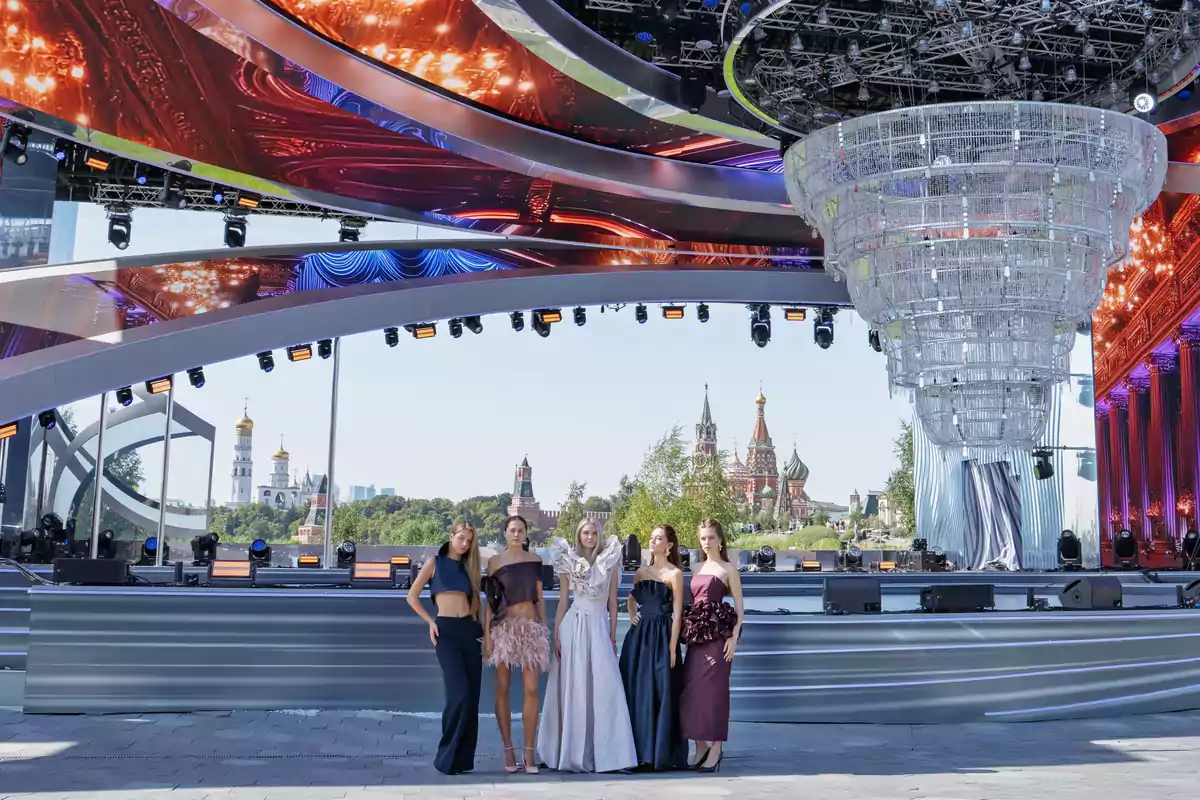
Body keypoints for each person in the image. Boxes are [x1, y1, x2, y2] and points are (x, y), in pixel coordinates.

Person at [537, 520, 637, 773]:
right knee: (574, 687)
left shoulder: (610, 560)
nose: (590, 537)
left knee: (607, 687)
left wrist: (612, 636)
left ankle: (613, 756)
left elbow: (613, 603)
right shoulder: (567, 561)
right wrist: (556, 636)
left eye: (594, 533)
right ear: (579, 535)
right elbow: (563, 602)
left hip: (599, 626)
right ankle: (565, 752)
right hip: (573, 626)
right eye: (585, 533)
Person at [406, 523, 483, 775]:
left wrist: (486, 634)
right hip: (446, 632)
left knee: (471, 698)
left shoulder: (470, 567)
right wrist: (430, 622)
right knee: (458, 695)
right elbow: (412, 596)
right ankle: (446, 758)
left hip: (470, 631)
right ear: (451, 536)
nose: (464, 544)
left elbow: (477, 604)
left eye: (469, 541)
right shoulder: (435, 563)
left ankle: (462, 760)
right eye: (461, 538)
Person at [618, 524, 687, 771]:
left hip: (662, 636)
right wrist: (632, 615)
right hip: (639, 639)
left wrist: (672, 648)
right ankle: (637, 754)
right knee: (638, 691)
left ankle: (659, 755)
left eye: (658, 538)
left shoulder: (675, 574)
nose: (652, 541)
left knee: (661, 691)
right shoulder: (641, 572)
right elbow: (631, 599)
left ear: (669, 545)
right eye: (651, 537)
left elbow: (677, 615)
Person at [485, 515, 550, 773]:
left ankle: (529, 752)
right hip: (503, 628)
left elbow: (539, 597)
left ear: (525, 533)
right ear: (505, 532)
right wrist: (487, 635)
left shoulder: (535, 559)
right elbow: (490, 601)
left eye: (520, 530)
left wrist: (544, 628)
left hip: (531, 629)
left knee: (532, 689)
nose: (516, 534)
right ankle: (508, 748)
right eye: (512, 530)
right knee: (502, 686)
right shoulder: (495, 561)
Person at [679, 518, 744, 773]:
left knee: (715, 693)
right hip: (697, 638)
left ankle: (716, 748)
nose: (706, 542)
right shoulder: (695, 568)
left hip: (719, 639)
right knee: (691, 692)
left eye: (711, 538)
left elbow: (739, 606)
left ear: (720, 540)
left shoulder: (729, 569)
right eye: (703, 538)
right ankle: (700, 746)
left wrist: (734, 638)